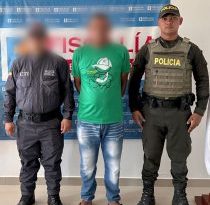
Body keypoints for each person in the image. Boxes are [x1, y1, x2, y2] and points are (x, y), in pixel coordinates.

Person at [128, 4, 209, 205]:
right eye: (165, 18)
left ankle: (179, 195)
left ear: (180, 21)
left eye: (173, 17)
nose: (169, 21)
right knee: (151, 156)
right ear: (159, 22)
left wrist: (199, 111)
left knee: (179, 158)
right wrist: (134, 108)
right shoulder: (147, 49)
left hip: (179, 113)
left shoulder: (192, 50)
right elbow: (134, 79)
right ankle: (148, 195)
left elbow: (203, 80)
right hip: (151, 113)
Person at [4, 22, 75, 205]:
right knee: (28, 163)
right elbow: (10, 93)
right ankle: (27, 195)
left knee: (52, 164)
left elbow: (68, 91)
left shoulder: (58, 62)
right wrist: (8, 119)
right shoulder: (18, 63)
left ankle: (53, 196)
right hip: (25, 123)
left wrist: (67, 116)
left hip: (51, 123)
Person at [72, 13, 130, 205]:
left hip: (114, 120)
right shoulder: (79, 53)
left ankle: (113, 199)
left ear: (109, 29)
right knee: (87, 167)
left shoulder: (121, 51)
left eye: (103, 27)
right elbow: (78, 83)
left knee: (113, 167)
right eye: (95, 27)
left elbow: (123, 82)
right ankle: (86, 199)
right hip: (86, 121)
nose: (100, 31)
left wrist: (109, 98)